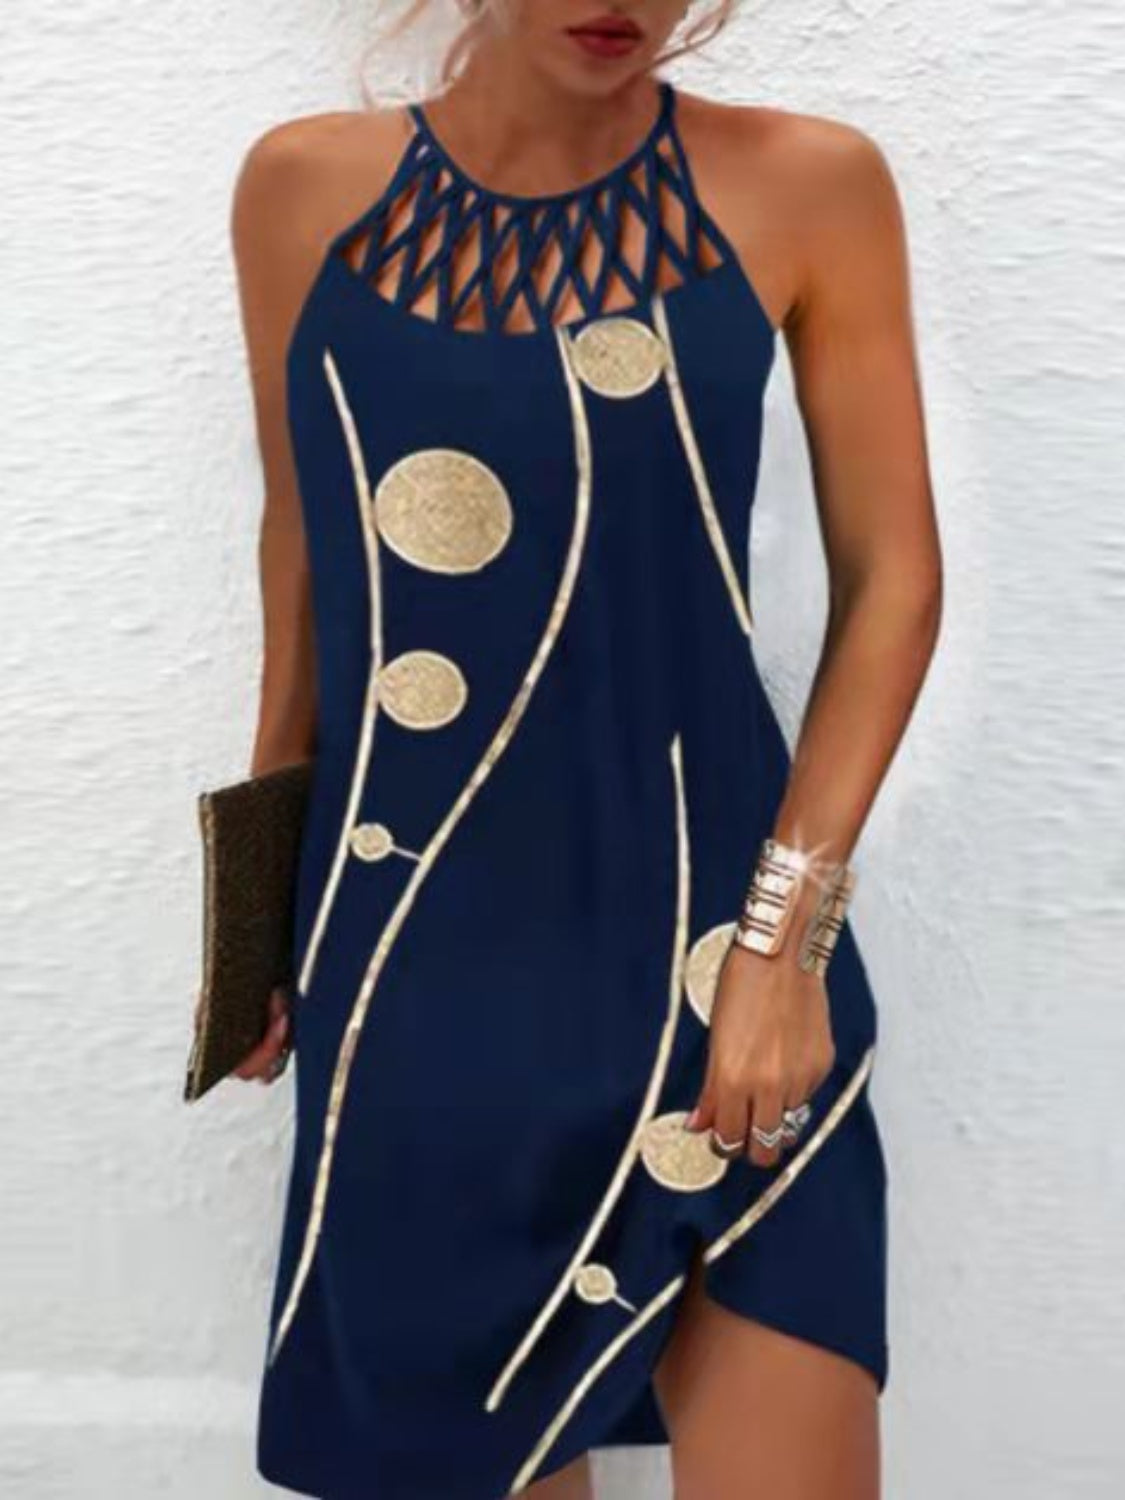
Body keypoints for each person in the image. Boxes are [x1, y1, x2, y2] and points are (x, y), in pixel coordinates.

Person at [227, 2, 941, 1495]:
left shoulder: (809, 185)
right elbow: (303, 552)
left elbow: (893, 580)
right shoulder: (301, 191)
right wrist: (252, 915)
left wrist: (783, 944)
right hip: (419, 978)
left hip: (720, 961)